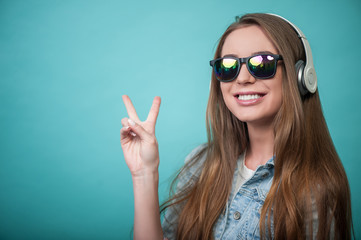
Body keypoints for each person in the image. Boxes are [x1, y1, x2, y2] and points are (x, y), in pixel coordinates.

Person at [120, 13, 353, 240]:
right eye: (229, 66)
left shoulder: (316, 189)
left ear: (301, 76)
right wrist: (144, 174)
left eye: (262, 63)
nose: (242, 78)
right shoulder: (200, 163)